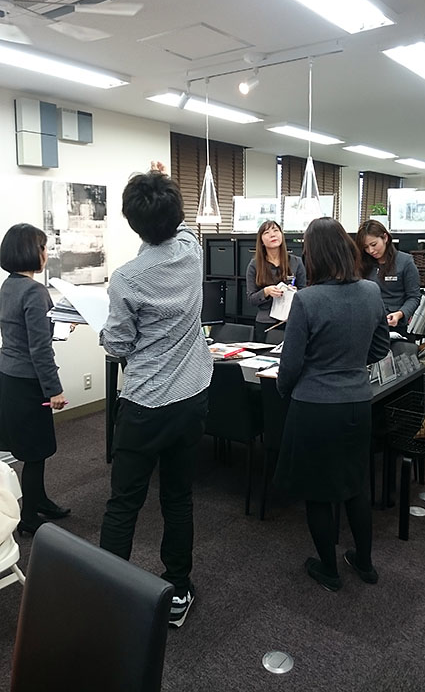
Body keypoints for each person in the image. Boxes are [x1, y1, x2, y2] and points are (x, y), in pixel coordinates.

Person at [99, 168, 213, 628]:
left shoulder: (126, 279)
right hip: (191, 396)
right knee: (178, 497)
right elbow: (178, 227)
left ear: (132, 223)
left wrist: (105, 333)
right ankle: (179, 589)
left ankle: (110, 595)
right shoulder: (192, 251)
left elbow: (117, 345)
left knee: (124, 502)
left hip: (146, 404)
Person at [275, 217, 390, 592]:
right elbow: (380, 347)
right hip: (357, 402)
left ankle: (329, 569)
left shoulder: (307, 300)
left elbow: (290, 365)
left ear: (315, 255)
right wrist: (350, 363)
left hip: (315, 406)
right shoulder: (371, 292)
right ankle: (365, 563)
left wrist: (285, 391)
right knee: (356, 485)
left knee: (319, 492)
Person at [0, 223, 69, 537]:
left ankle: (39, 500)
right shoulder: (34, 291)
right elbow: (39, 349)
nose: (46, 253)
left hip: (8, 375)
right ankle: (29, 516)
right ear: (31, 251)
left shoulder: (8, 286)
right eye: (44, 247)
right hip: (29, 381)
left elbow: (25, 333)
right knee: (35, 451)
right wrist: (54, 390)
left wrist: (59, 328)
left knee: (30, 447)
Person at [355, 220, 421, 337]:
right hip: (367, 323)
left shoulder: (405, 262)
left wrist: (400, 314)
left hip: (394, 325)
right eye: (365, 247)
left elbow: (414, 297)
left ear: (385, 238)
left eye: (374, 244)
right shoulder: (362, 264)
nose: (370, 250)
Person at [246, 220, 306, 342]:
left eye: (276, 230)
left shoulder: (296, 262)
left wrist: (295, 293)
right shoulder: (255, 265)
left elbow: (305, 292)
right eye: (267, 233)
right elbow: (251, 299)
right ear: (261, 241)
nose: (273, 235)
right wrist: (266, 292)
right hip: (265, 323)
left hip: (291, 320)